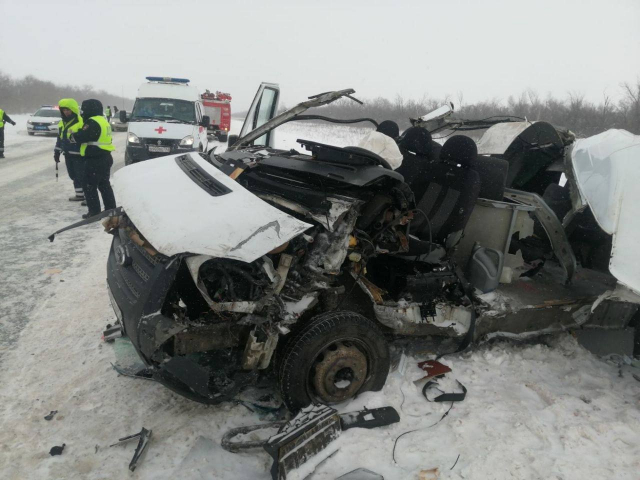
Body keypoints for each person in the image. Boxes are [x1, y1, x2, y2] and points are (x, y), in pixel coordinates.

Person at [70, 99, 117, 219]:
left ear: (89, 109)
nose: (82, 112)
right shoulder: (103, 120)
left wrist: (73, 136)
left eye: (84, 109)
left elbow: (83, 136)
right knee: (104, 185)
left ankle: (94, 211)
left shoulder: (92, 122)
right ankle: (111, 209)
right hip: (105, 156)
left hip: (94, 159)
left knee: (89, 185)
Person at [55, 99, 85, 201]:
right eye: (64, 110)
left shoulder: (80, 121)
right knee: (73, 175)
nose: (66, 112)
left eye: (68, 110)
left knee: (81, 175)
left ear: (73, 109)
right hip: (68, 153)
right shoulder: (62, 123)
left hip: (79, 154)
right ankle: (79, 194)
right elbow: (60, 138)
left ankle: (87, 196)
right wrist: (57, 151)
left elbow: (83, 137)